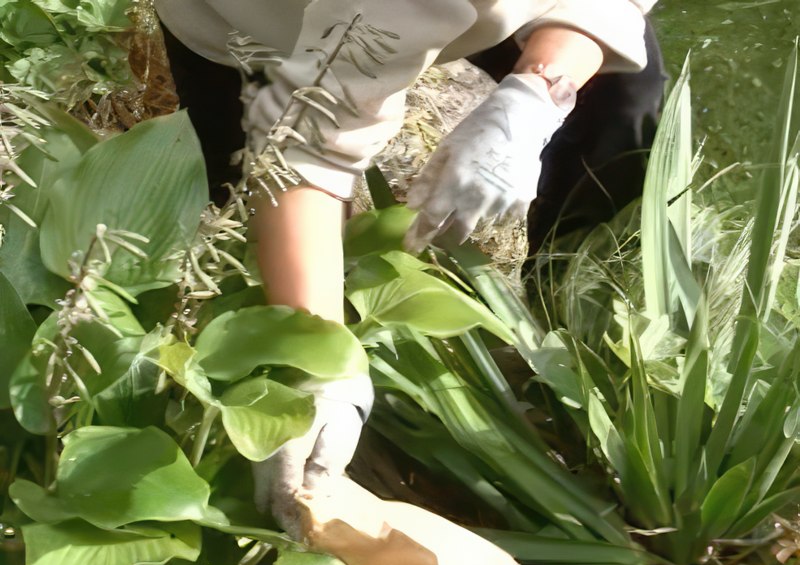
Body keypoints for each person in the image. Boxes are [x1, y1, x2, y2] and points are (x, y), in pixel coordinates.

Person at [155, 0, 658, 532]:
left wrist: (536, 94)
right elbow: (305, 151)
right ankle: (266, 407)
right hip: (255, 21)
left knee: (622, 101)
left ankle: (572, 341)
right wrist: (321, 364)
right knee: (243, 210)